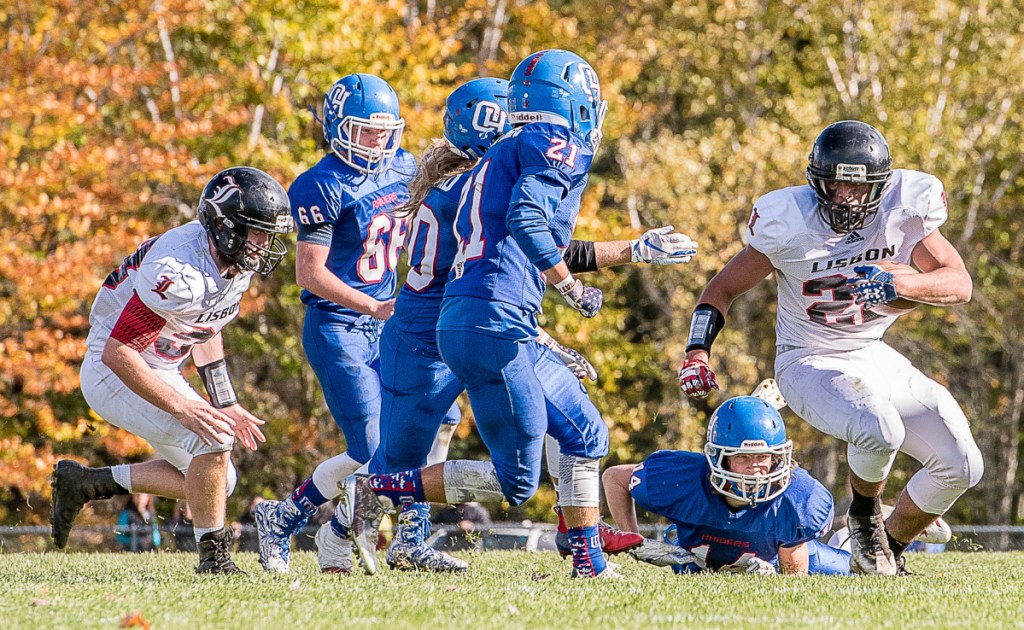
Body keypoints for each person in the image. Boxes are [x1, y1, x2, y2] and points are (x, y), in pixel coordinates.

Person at [353, 77, 695, 575]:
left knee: (585, 432)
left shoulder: (489, 167)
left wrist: (633, 250)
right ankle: (363, 505)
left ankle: (587, 558)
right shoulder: (518, 162)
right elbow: (524, 235)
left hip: (494, 323)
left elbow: (525, 248)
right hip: (462, 330)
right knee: (504, 478)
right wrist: (569, 296)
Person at [678, 120, 984, 575]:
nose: (847, 198)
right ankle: (863, 519)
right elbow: (721, 289)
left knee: (962, 465)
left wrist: (899, 281)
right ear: (817, 181)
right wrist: (697, 351)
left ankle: (883, 551)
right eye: (837, 184)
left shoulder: (904, 212)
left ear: (882, 186)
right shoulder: (790, 221)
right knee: (879, 428)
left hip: (871, 352)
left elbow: (959, 284)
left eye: (858, 187)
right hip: (807, 358)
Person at [50, 166, 294, 574]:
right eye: (256, 232)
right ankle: (214, 561)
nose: (264, 244)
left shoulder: (231, 260)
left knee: (218, 481)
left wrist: (225, 400)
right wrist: (186, 409)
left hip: (157, 363)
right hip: (113, 367)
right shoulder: (179, 270)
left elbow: (205, 327)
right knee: (213, 442)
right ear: (225, 226)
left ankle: (87, 482)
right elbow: (119, 352)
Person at [254, 73, 416, 574]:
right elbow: (311, 273)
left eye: (385, 130)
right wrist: (375, 307)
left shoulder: (406, 166)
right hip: (340, 323)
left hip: (385, 320)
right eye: (367, 130)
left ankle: (342, 532)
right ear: (339, 128)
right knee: (367, 444)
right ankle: (283, 518)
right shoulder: (321, 184)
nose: (379, 140)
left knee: (404, 437)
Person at [603, 396, 849, 575]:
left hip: (779, 560)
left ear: (777, 458)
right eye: (742, 457)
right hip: (696, 566)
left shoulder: (796, 499)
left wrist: (774, 578)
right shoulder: (684, 479)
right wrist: (634, 540)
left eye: (762, 457)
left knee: (857, 569)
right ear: (720, 458)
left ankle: (845, 541)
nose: (754, 468)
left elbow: (794, 583)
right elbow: (614, 478)